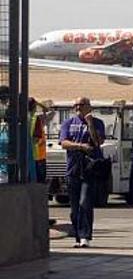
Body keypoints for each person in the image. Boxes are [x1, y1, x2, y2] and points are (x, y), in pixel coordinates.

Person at [59, 97, 105, 248]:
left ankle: (85, 236)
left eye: (81, 105)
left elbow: (98, 142)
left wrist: (90, 123)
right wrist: (79, 146)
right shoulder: (68, 123)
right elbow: (64, 143)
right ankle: (78, 236)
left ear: (89, 107)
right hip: (73, 168)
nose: (78, 107)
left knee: (84, 202)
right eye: (76, 105)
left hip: (89, 168)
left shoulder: (98, 123)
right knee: (74, 207)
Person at [29, 98, 49, 184]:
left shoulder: (21, 117)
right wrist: (38, 103)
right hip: (37, 156)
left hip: (28, 156)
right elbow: (47, 110)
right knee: (39, 184)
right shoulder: (35, 119)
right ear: (34, 107)